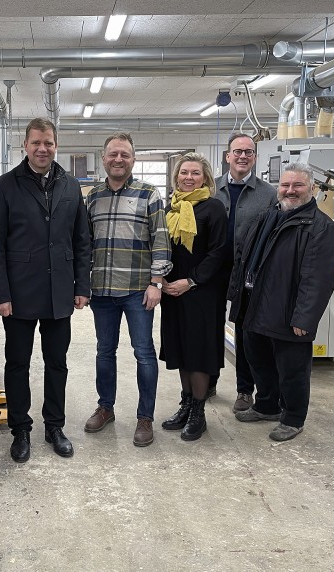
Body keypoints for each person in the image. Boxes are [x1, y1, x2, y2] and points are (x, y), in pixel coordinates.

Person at [0, 118, 91, 463]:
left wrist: (82, 285)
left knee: (56, 363)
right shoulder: (5, 186)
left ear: (55, 145)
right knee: (18, 363)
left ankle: (54, 426)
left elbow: (82, 241)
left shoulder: (71, 186)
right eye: (36, 143)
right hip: (18, 293)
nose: (42, 149)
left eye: (48, 143)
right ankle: (21, 430)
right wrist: (0, 294)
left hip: (59, 291)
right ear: (25, 147)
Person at [228, 163, 334, 442]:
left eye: (298, 186)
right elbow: (245, 258)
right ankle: (267, 406)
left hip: (288, 310)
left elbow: (317, 280)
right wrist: (236, 296)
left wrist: (305, 318)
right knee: (259, 361)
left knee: (292, 369)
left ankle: (293, 418)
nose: (290, 191)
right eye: (285, 185)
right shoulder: (268, 216)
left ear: (312, 189)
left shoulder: (320, 228)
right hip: (255, 305)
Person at [83, 132, 172, 447]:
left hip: (138, 291)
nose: (118, 159)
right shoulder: (92, 196)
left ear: (133, 159)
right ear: (104, 157)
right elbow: (85, 244)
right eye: (113, 154)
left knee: (144, 353)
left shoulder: (149, 194)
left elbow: (160, 239)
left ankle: (144, 417)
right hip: (102, 291)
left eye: (124, 154)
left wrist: (156, 282)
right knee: (104, 352)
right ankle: (105, 407)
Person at [159, 153, 228, 441]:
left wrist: (191, 281)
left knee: (198, 352)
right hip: (172, 292)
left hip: (201, 292)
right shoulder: (170, 209)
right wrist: (160, 278)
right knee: (182, 350)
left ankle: (198, 413)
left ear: (205, 178)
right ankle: (186, 405)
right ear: (176, 178)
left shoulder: (213, 208)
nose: (188, 177)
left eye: (195, 173)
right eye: (184, 173)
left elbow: (220, 252)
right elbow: (161, 246)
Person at [213, 132, 277, 412]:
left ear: (255, 157)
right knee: (209, 328)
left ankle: (244, 390)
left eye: (248, 152)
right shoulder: (210, 188)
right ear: (227, 156)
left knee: (245, 333)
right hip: (212, 272)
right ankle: (208, 380)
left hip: (249, 274)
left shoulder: (268, 194)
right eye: (237, 151)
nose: (242, 156)